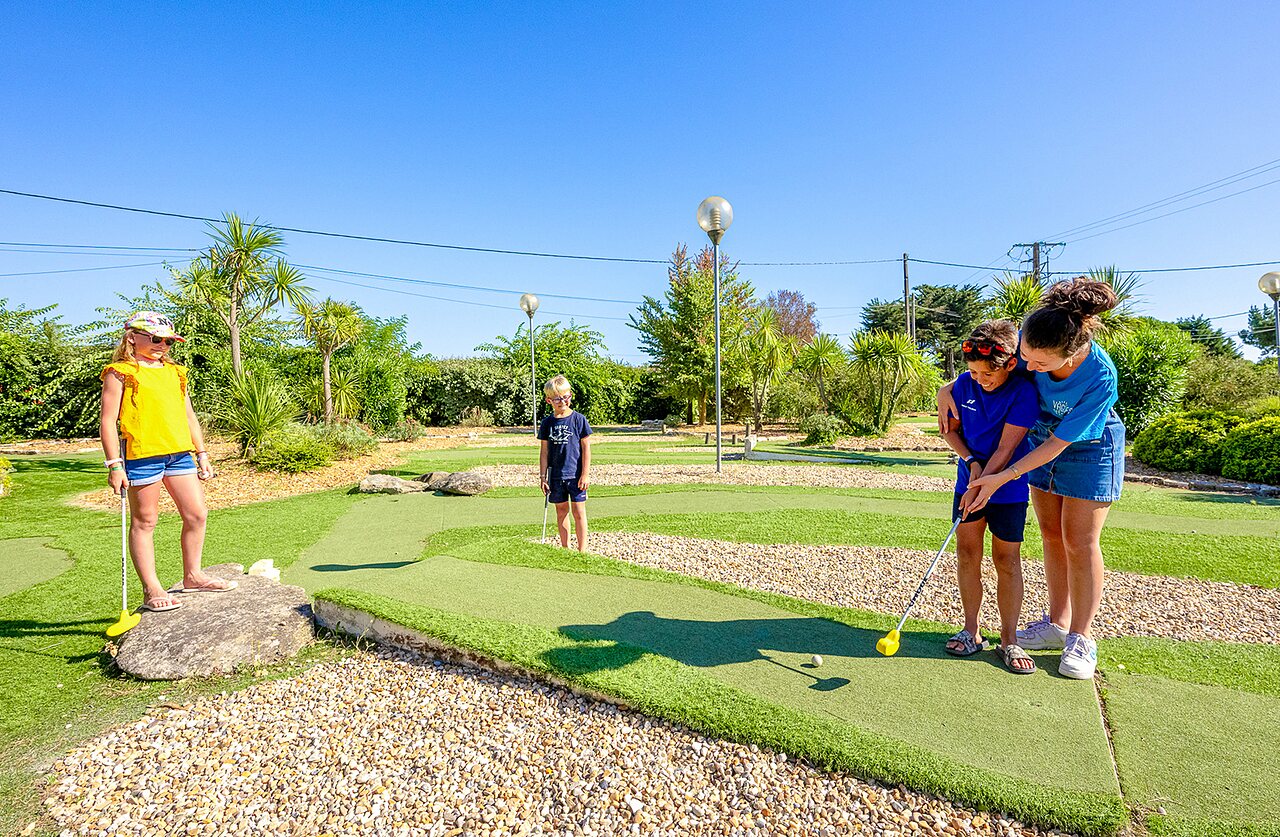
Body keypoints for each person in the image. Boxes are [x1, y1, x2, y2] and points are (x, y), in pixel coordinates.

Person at [942, 278, 1123, 679]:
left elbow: (1060, 443)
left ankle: (1081, 636)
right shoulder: (1029, 342)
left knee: (1080, 540)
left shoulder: (1100, 376)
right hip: (1040, 438)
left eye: (1040, 364)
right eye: (1027, 358)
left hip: (1088, 446)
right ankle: (1057, 624)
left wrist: (999, 478)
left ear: (1072, 353)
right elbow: (986, 370)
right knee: (1051, 534)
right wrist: (946, 388)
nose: (1030, 367)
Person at [100, 312, 236, 613]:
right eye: (156, 339)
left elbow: (189, 416)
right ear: (132, 337)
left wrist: (202, 453)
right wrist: (114, 465)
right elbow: (108, 421)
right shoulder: (120, 371)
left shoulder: (175, 372)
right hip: (141, 456)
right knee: (145, 522)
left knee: (197, 514)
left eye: (168, 341)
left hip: (179, 455)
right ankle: (152, 590)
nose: (163, 345)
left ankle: (193, 576)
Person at [939, 320, 1040, 674]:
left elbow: (1007, 446)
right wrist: (971, 463)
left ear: (1010, 363)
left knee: (1007, 561)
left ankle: (1009, 640)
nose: (980, 380)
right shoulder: (963, 385)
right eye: (974, 372)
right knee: (967, 554)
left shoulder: (1024, 391)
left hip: (1008, 488)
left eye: (987, 375)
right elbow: (950, 432)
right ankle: (971, 630)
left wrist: (985, 480)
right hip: (969, 482)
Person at [537, 375, 593, 551]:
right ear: (549, 400)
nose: (562, 401)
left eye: (566, 396)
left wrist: (585, 474)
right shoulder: (547, 423)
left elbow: (586, 449)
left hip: (576, 475)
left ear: (570, 395)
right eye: (557, 399)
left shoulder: (579, 420)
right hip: (556, 475)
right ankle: (565, 548)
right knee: (561, 512)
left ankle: (582, 550)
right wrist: (542, 476)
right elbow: (544, 451)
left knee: (579, 512)